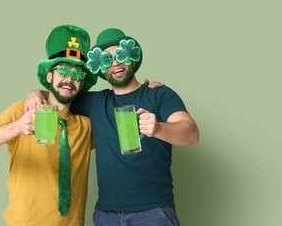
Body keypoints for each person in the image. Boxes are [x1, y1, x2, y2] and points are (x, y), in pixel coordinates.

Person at [25, 28, 199, 226]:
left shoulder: (158, 95)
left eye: (120, 55)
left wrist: (158, 128)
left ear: (132, 59)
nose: (115, 62)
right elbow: (62, 93)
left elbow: (191, 133)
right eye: (106, 59)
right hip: (106, 215)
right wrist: (35, 93)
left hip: (153, 211)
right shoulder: (96, 102)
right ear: (100, 68)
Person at [0, 25, 99, 226]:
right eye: (64, 71)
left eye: (77, 75)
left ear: (82, 84)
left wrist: (146, 91)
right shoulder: (22, 110)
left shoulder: (86, 126)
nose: (69, 79)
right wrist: (17, 127)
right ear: (49, 77)